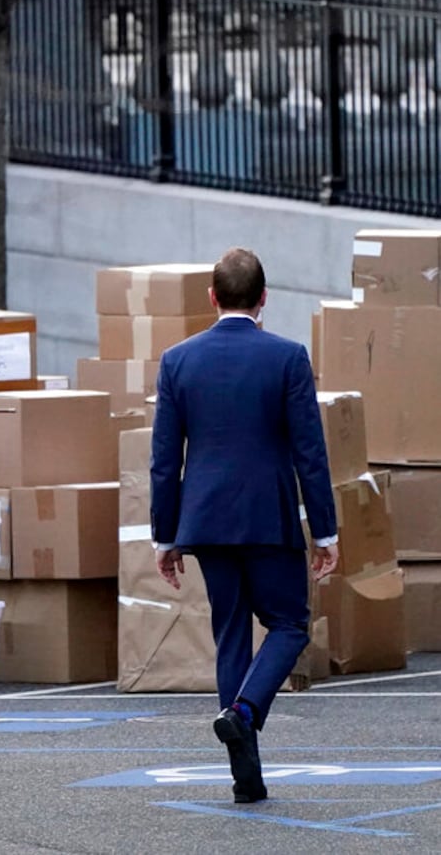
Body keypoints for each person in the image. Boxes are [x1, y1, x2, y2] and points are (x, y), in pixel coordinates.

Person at [149, 247, 339, 804]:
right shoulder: (287, 357)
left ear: (211, 297)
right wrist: (324, 531)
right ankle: (245, 711)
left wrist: (165, 535)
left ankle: (245, 775)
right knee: (289, 625)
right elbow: (311, 452)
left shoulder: (178, 360)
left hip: (204, 518)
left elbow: (165, 459)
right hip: (267, 515)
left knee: (230, 632)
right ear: (263, 298)